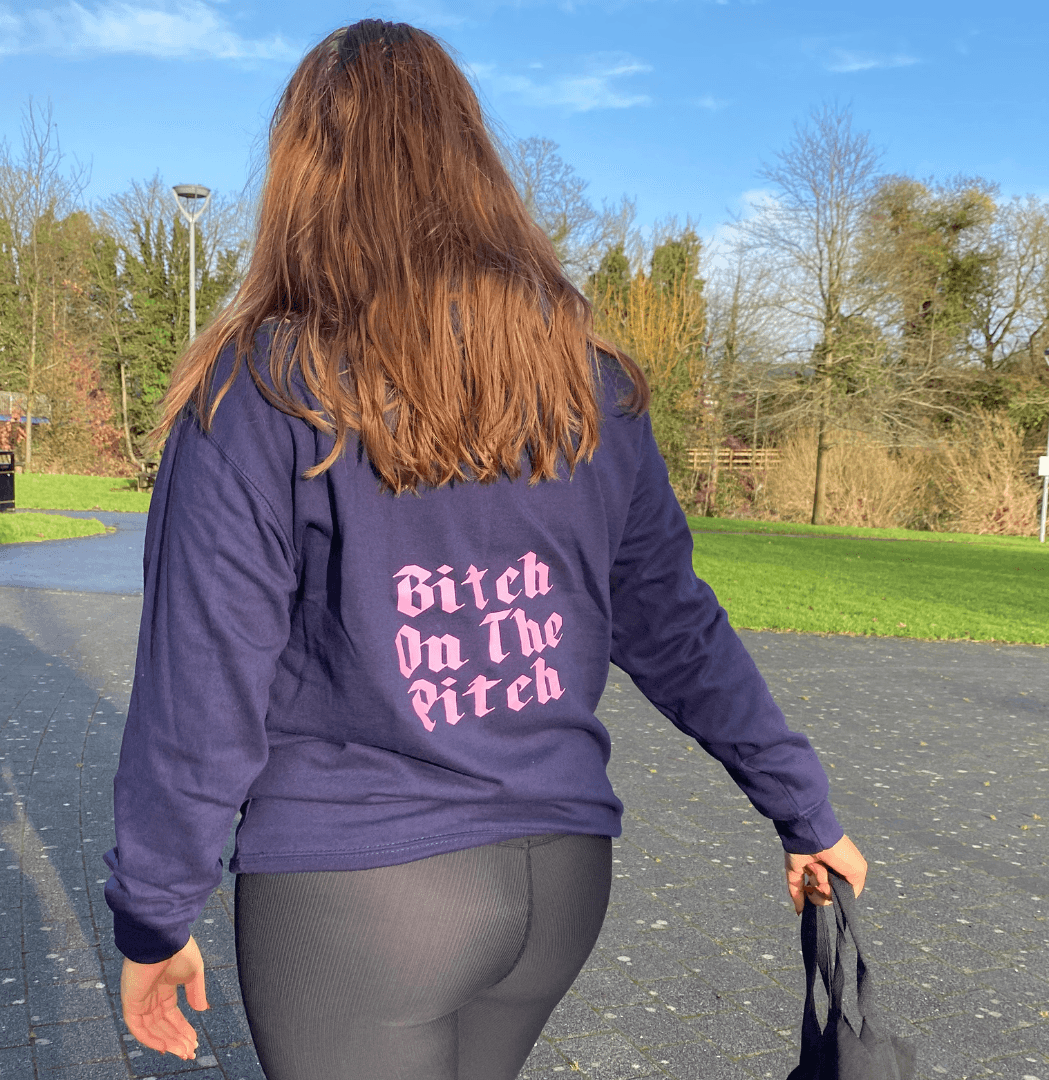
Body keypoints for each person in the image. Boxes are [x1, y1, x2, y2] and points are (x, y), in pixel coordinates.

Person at [105, 18, 867, 1080]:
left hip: (365, 895)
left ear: (303, 176)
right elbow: (674, 621)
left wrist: (154, 910)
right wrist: (802, 807)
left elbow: (202, 678)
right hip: (560, 881)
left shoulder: (262, 387)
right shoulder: (587, 380)